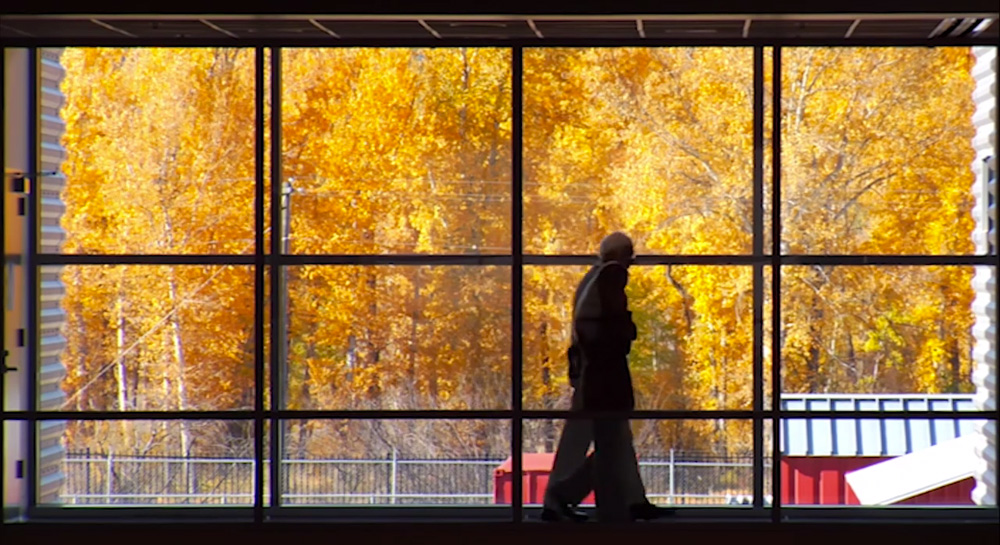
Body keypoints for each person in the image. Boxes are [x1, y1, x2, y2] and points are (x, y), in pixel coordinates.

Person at [540, 232, 673, 523]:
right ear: (622, 256)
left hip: (588, 373)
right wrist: (627, 329)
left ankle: (628, 498)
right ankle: (564, 497)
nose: (631, 264)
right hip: (603, 377)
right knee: (611, 442)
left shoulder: (590, 279)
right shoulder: (611, 276)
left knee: (603, 440)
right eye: (629, 256)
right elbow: (616, 326)